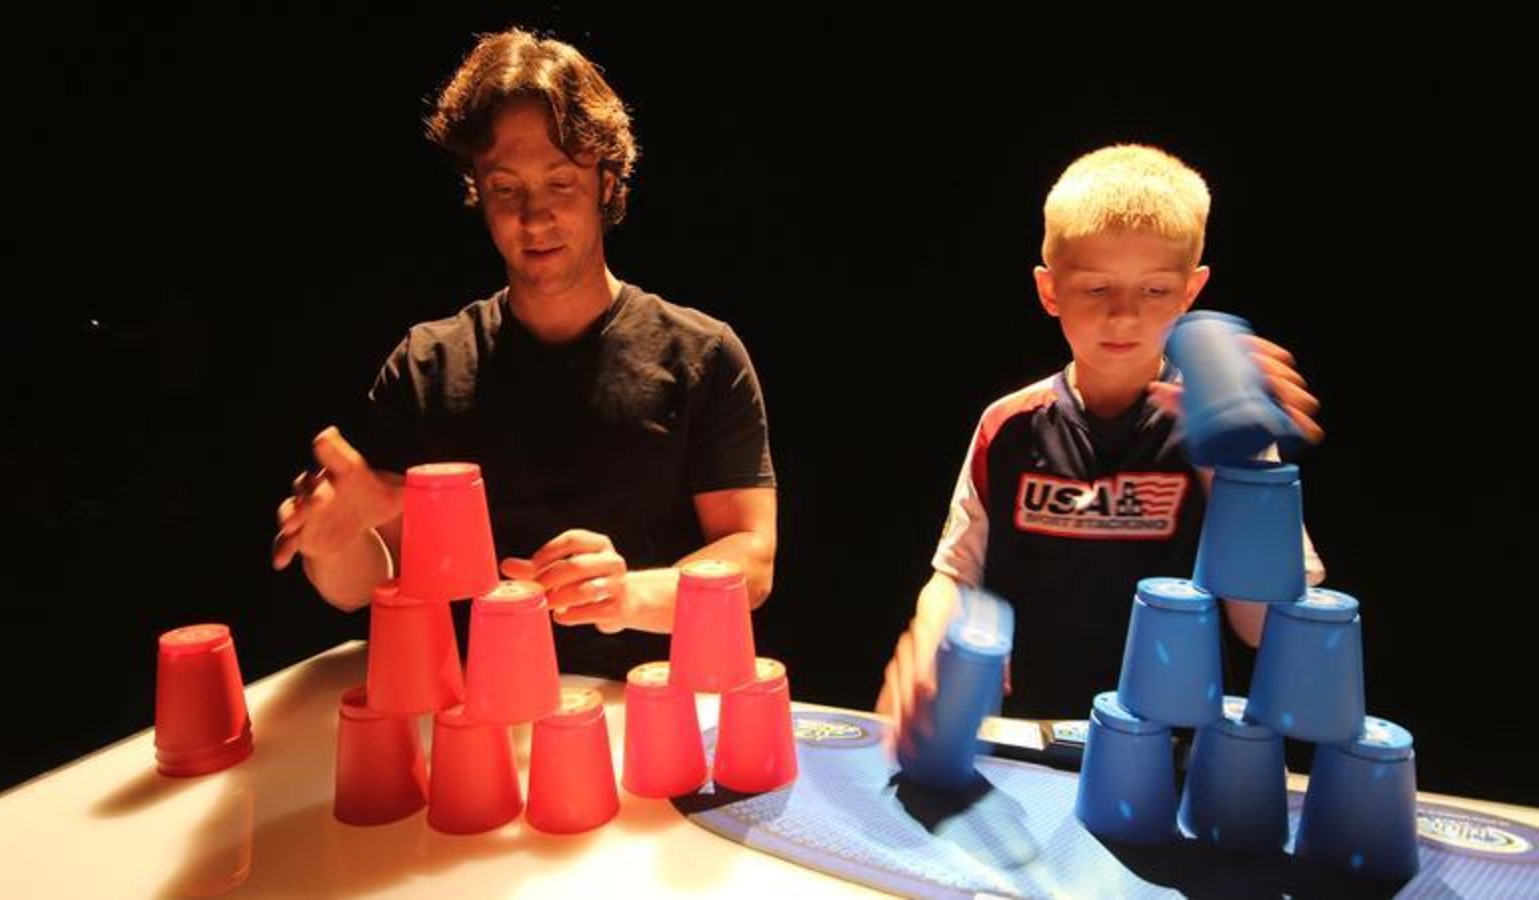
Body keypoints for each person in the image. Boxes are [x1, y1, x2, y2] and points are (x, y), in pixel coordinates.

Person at [271, 29, 777, 677]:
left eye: (559, 183)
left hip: (649, 707)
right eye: (506, 188)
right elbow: (369, 582)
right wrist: (331, 539)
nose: (534, 218)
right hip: (469, 714)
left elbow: (751, 559)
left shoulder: (703, 355)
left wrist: (626, 594)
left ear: (606, 182)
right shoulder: (427, 365)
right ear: (478, 191)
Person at [877, 144, 1325, 747]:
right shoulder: (1007, 424)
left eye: (1155, 291)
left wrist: (1241, 470)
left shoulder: (1224, 434)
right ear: (1050, 290)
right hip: (1023, 743)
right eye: (1096, 289)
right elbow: (955, 577)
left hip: (1174, 754)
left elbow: (1261, 626)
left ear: (1191, 291)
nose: (1123, 316)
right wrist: (927, 646)